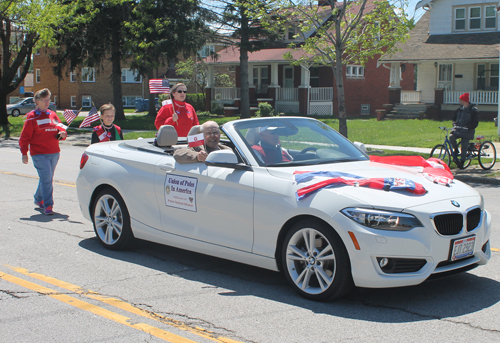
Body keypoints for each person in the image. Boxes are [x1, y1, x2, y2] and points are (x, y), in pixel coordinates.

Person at [19, 88, 67, 215]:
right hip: (39, 154)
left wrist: (62, 134)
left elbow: (61, 129)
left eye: (49, 100)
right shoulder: (31, 117)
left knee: (47, 178)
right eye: (44, 100)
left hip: (54, 152)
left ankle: (38, 198)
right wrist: (24, 153)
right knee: (46, 179)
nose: (47, 102)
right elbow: (24, 137)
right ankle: (48, 205)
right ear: (37, 101)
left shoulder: (52, 114)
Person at [450, 92, 479, 168]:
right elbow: (454, 119)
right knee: (451, 137)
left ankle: (462, 162)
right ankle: (456, 149)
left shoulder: (473, 110)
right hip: (459, 130)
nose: (459, 101)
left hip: (467, 131)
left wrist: (468, 127)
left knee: (464, 145)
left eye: (460, 100)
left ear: (465, 100)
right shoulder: (459, 109)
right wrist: (454, 124)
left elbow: (475, 122)